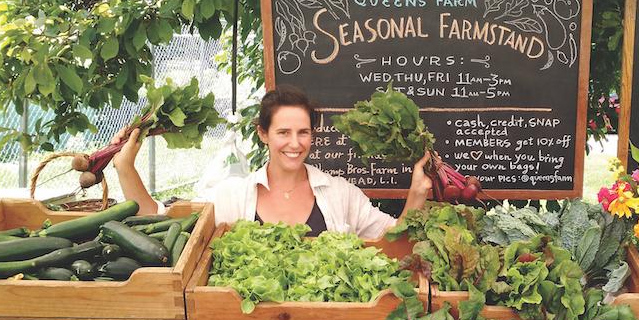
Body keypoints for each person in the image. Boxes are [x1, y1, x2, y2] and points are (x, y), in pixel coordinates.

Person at [112, 86, 431, 238]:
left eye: (303, 132)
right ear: (263, 134)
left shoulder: (338, 193)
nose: (295, 144)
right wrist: (125, 167)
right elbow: (157, 220)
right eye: (284, 132)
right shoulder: (232, 195)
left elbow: (395, 238)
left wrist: (417, 194)